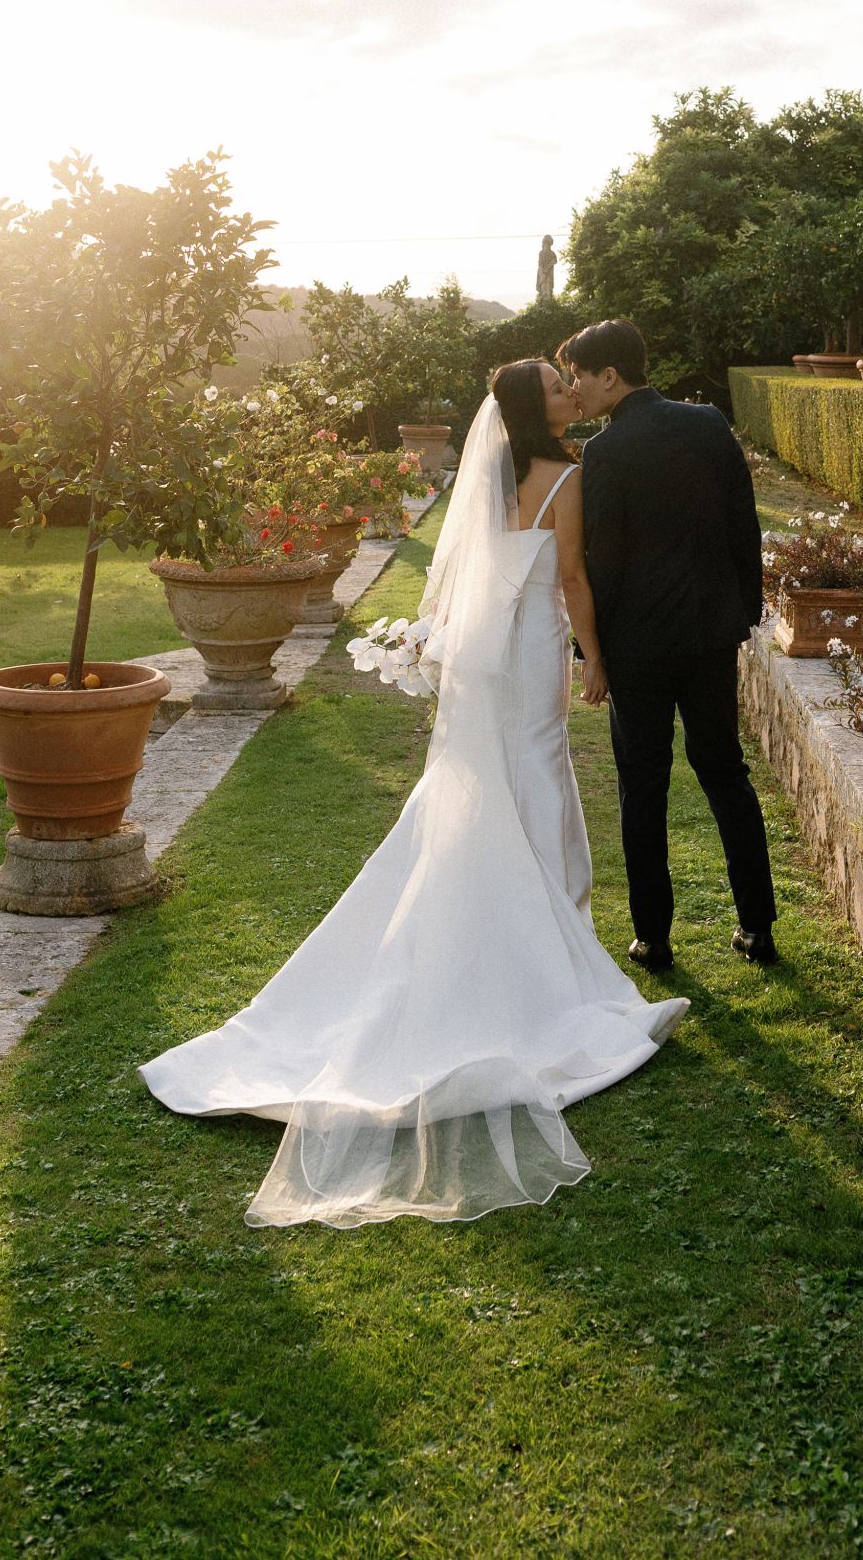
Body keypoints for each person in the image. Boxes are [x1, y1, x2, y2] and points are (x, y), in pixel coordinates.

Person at [138, 360, 686, 1229]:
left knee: (472, 788)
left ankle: (503, 917)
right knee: (538, 774)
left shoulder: (487, 483)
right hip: (535, 650)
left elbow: (461, 578)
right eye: (553, 385)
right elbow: (573, 579)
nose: (565, 390)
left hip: (478, 658)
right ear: (530, 409)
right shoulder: (564, 477)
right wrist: (598, 657)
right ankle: (549, 942)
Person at [558, 318, 777, 975]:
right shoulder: (709, 423)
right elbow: (745, 525)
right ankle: (757, 926)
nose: (575, 388)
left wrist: (591, 648)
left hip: (639, 646)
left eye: (578, 375)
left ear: (609, 376)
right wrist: (743, 614)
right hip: (711, 635)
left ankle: (653, 938)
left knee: (643, 785)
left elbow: (604, 561)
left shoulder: (605, 452)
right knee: (725, 772)